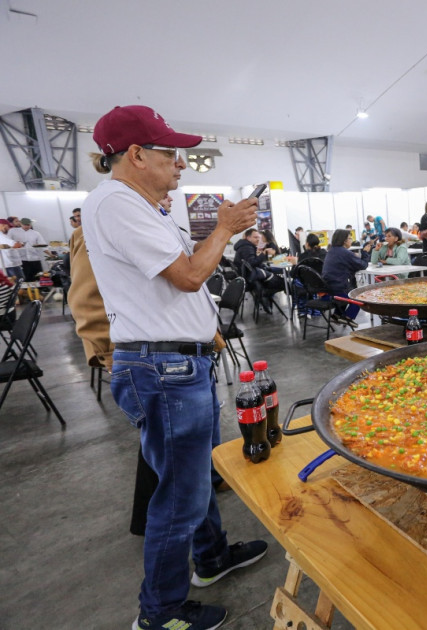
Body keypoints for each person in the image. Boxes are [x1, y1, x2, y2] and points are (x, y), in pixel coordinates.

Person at [81, 104, 267, 630]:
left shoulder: (146, 204)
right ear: (137, 155)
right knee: (177, 498)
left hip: (179, 364)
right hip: (161, 371)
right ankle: (159, 612)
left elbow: (182, 269)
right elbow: (188, 276)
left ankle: (211, 559)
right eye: (172, 154)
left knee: (196, 476)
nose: (182, 164)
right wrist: (226, 227)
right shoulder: (116, 205)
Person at [323, 228, 370, 325]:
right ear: (344, 241)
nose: (351, 240)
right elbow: (363, 265)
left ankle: (337, 315)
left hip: (328, 288)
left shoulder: (331, 250)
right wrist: (365, 252)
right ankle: (348, 317)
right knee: (359, 297)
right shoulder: (345, 253)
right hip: (338, 289)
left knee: (347, 288)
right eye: (350, 238)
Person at [233, 228, 282, 313]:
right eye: (255, 237)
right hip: (250, 278)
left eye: (259, 237)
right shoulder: (247, 247)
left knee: (273, 275)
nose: (258, 239)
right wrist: (263, 254)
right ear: (248, 238)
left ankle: (263, 296)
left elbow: (252, 262)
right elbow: (252, 263)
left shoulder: (245, 246)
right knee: (283, 283)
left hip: (247, 276)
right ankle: (263, 295)